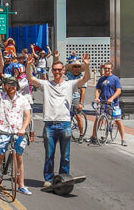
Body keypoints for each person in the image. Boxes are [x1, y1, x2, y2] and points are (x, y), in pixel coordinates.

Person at [27, 53, 91, 188]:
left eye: (59, 70)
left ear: (63, 71)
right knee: (49, 155)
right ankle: (48, 179)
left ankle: (64, 177)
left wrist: (86, 65)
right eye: (54, 70)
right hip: (50, 125)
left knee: (65, 156)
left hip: (65, 124)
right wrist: (28, 65)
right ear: (52, 71)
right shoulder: (46, 84)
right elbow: (30, 78)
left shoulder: (70, 84)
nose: (57, 72)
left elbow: (87, 78)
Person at [0, 71, 32, 196]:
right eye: (8, 85)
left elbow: (28, 116)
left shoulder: (23, 99)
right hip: (4, 131)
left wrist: (23, 128)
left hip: (18, 132)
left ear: (16, 86)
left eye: (13, 85)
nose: (10, 87)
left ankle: (21, 185)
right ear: (5, 86)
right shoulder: (1, 97)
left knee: (19, 158)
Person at [90, 63, 126, 146]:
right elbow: (97, 90)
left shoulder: (115, 79)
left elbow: (118, 91)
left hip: (114, 104)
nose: (106, 70)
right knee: (98, 118)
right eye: (105, 68)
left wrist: (112, 98)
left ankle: (123, 139)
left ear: (111, 69)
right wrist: (97, 97)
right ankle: (94, 136)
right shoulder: (101, 79)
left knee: (118, 120)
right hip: (103, 102)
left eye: (108, 68)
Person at [65, 59, 86, 139]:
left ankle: (81, 134)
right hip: (68, 97)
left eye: (78, 66)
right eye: (75, 66)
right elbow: (60, 70)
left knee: (78, 116)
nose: (76, 68)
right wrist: (56, 57)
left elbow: (83, 91)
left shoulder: (82, 78)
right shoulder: (69, 75)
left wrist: (81, 103)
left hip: (76, 98)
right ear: (72, 68)